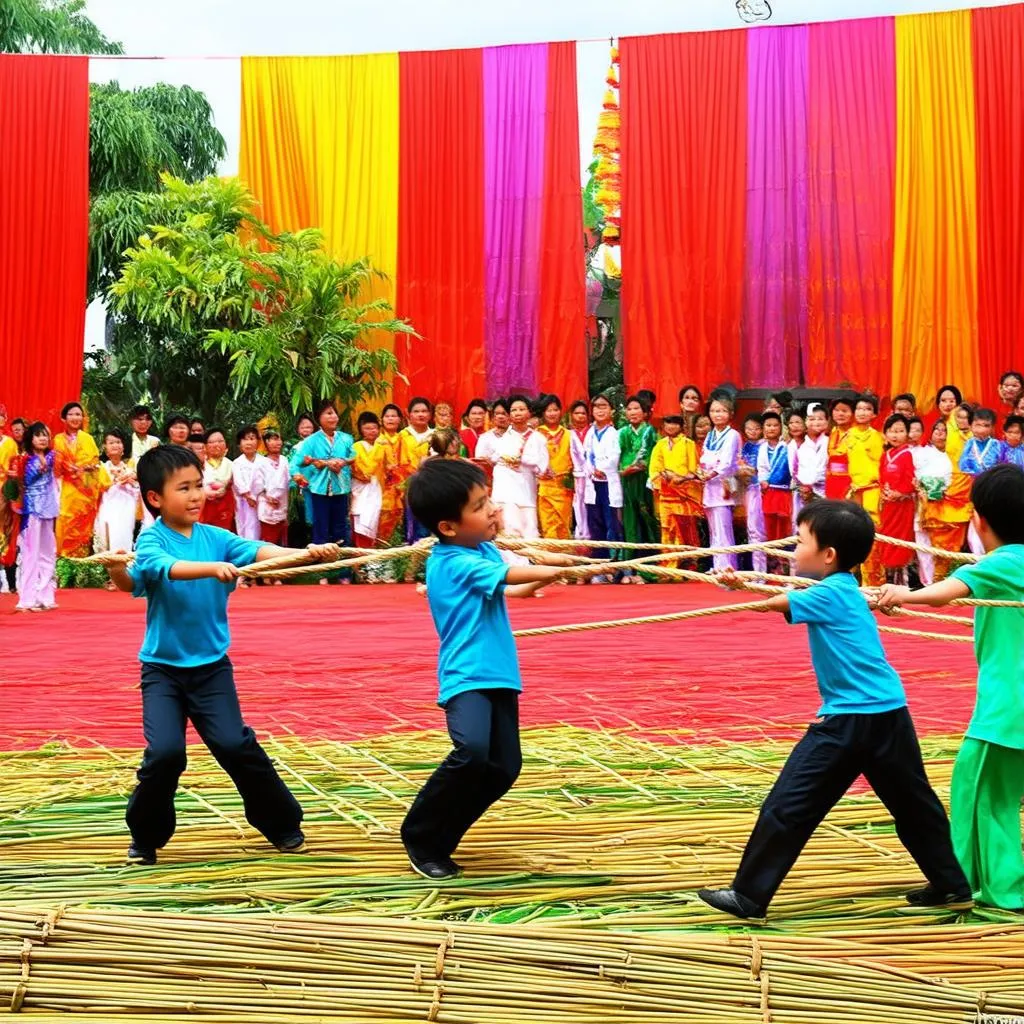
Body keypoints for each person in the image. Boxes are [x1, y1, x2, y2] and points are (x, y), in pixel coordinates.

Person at [698, 501, 972, 920]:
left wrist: (736, 587)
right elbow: (783, 594)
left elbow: (773, 603)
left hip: (849, 719)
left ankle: (748, 895)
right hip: (889, 712)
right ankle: (952, 885)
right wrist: (742, 583)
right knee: (915, 805)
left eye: (801, 540)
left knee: (789, 803)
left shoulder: (827, 593)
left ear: (828, 555)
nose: (794, 549)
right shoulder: (843, 589)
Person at [105, 444, 341, 865]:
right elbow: (157, 570)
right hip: (163, 672)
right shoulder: (152, 539)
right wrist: (208, 568)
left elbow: (257, 553)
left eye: (199, 486)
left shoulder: (216, 538)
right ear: (156, 498)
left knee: (236, 744)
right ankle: (145, 836)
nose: (196, 495)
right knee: (165, 754)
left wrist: (306, 553)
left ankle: (283, 825)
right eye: (184, 488)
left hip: (212, 669)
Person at [399, 458, 565, 879]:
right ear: (448, 527)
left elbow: (521, 589)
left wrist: (553, 571)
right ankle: (419, 835)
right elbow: (510, 575)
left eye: (488, 498)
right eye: (478, 505)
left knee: (504, 767)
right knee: (472, 752)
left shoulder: (482, 549)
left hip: (500, 673)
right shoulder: (451, 562)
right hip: (467, 675)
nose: (492, 509)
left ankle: (441, 840)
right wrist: (571, 565)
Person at [874, 465, 1024, 910]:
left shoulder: (1005, 561)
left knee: (979, 789)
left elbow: (946, 591)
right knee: (993, 791)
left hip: (1008, 707)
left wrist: (901, 596)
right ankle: (973, 878)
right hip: (1010, 707)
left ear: (978, 520)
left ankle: (997, 887)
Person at [488, 395, 548, 539]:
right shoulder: (501, 437)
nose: (518, 413)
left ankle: (528, 561)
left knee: (529, 529)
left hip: (526, 490)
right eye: (514, 410)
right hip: (505, 491)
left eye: (521, 409)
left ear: (529, 413)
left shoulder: (538, 438)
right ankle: (509, 562)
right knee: (508, 529)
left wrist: (523, 461)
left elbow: (542, 467)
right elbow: (494, 458)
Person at [302, 400, 356, 563]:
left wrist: (342, 462)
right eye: (328, 413)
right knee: (321, 529)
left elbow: (353, 456)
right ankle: (321, 571)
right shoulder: (311, 441)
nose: (333, 417)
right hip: (319, 489)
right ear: (319, 418)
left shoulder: (346, 438)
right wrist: (324, 464)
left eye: (334, 413)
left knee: (341, 528)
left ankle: (342, 570)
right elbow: (302, 461)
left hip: (340, 488)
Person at [16, 422, 60, 612]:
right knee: (30, 555)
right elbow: (26, 478)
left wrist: (42, 462)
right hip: (31, 512)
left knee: (48, 553)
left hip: (48, 510)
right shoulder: (24, 461)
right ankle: (26, 599)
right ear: (30, 439)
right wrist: (35, 464)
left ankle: (46, 596)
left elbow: (53, 462)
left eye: (45, 435)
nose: (43, 438)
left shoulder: (51, 456)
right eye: (38, 435)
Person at [53, 401, 102, 559]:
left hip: (85, 492)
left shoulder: (88, 439)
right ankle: (64, 564)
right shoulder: (58, 440)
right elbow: (56, 467)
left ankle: (81, 567)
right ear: (64, 418)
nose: (75, 417)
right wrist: (67, 467)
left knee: (83, 529)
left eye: (78, 414)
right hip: (67, 490)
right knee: (64, 524)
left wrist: (84, 469)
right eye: (71, 414)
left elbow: (96, 464)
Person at [699, 396, 741, 571]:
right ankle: (717, 565)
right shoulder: (710, 435)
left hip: (724, 484)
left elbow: (727, 462)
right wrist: (701, 471)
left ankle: (728, 568)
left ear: (730, 414)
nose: (718, 415)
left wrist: (711, 473)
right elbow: (704, 457)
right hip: (709, 484)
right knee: (713, 529)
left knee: (724, 527)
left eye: (722, 411)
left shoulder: (732, 435)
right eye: (714, 411)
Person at [847, 395, 885, 587]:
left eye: (867, 409)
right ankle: (850, 582)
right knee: (850, 533)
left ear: (874, 413)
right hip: (853, 492)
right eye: (859, 408)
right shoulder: (848, 435)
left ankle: (873, 583)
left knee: (873, 536)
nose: (862, 412)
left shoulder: (878, 437)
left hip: (872, 491)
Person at [648, 415, 700, 554]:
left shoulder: (689, 444)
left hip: (683, 497)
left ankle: (688, 564)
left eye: (675, 423)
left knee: (685, 530)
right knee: (666, 529)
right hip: (666, 494)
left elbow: (693, 471)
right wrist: (665, 475)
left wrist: (680, 478)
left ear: (681, 426)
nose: (671, 426)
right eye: (668, 422)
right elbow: (654, 470)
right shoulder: (660, 445)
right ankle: (668, 565)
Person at [583, 394, 624, 570]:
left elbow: (614, 457)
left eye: (604, 406)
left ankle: (616, 567)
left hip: (608, 482)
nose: (599, 410)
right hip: (593, 482)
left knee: (612, 523)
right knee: (595, 523)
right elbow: (584, 455)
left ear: (612, 410)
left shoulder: (614, 433)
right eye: (596, 407)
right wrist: (592, 470)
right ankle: (598, 566)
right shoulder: (590, 433)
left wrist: (601, 468)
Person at [959, 408, 1005, 556]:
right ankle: (977, 556)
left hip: (992, 489)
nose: (982, 429)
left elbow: (1001, 464)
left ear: (992, 427)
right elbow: (963, 465)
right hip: (973, 489)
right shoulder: (968, 444)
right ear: (971, 426)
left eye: (986, 425)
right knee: (975, 525)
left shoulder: (997, 445)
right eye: (978, 425)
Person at [877, 414, 916, 581]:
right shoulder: (885, 455)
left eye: (900, 431)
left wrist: (900, 493)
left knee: (901, 537)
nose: (895, 435)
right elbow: (881, 477)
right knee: (886, 535)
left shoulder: (908, 454)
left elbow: (912, 480)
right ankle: (889, 575)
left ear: (907, 434)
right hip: (888, 505)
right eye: (892, 431)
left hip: (903, 505)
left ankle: (902, 577)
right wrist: (884, 492)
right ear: (885, 434)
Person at [619, 395, 659, 552]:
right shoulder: (622, 432)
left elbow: (649, 458)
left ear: (644, 412)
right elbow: (617, 454)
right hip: (626, 480)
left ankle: (649, 567)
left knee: (646, 517)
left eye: (637, 409)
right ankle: (631, 566)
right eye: (629, 409)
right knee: (630, 519)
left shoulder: (650, 432)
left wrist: (628, 469)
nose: (633, 412)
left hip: (643, 480)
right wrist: (621, 471)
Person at [757, 412, 794, 574]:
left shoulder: (787, 447)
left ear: (781, 428)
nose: (771, 428)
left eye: (775, 425)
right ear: (763, 428)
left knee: (784, 530)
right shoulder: (762, 447)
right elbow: (762, 468)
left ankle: (787, 567)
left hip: (785, 493)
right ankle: (774, 570)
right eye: (768, 425)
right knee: (770, 530)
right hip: (769, 493)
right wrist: (763, 480)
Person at [94, 429, 140, 557]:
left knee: (123, 543)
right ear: (105, 447)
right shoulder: (100, 468)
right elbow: (95, 489)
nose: (115, 445)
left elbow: (137, 493)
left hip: (125, 513)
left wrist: (131, 481)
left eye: (118, 442)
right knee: (105, 542)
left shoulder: (130, 469)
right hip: (107, 510)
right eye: (111, 442)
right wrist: (115, 480)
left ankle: (123, 572)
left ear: (123, 446)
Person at [536, 395, 574, 540]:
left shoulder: (569, 434)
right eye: (548, 410)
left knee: (564, 523)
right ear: (543, 413)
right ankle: (550, 557)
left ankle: (565, 557)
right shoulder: (536, 433)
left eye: (555, 410)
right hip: (544, 485)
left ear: (560, 411)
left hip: (563, 487)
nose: (552, 413)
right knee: (547, 523)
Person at [399, 398, 435, 543]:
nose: (421, 414)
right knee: (410, 527)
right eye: (416, 411)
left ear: (430, 414)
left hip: (432, 488)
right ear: (409, 415)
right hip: (407, 488)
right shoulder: (401, 436)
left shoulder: (436, 435)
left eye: (424, 411)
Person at [351, 412, 385, 549]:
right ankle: (358, 561)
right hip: (361, 487)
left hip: (376, 487)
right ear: (361, 429)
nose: (371, 431)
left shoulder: (382, 447)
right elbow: (358, 467)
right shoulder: (356, 446)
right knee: (360, 521)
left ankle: (371, 557)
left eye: (374, 428)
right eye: (367, 428)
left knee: (373, 520)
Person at [252, 429, 291, 548]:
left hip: (283, 504)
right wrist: (268, 497)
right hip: (267, 505)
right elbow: (256, 485)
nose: (277, 442)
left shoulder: (284, 460)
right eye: (273, 439)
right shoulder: (260, 462)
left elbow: (289, 480)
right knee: (269, 541)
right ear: (266, 442)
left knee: (283, 540)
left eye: (278, 439)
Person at [738, 414, 766, 574]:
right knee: (751, 529)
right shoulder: (745, 447)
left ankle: (761, 572)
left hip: (760, 490)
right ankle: (756, 570)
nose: (753, 431)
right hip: (747, 490)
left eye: (756, 428)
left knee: (759, 530)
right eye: (749, 428)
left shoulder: (764, 446)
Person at [375, 404, 405, 546]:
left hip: (401, 488)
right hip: (381, 488)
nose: (390, 419)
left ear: (400, 419)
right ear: (381, 420)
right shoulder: (377, 440)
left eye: (394, 416)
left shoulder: (404, 438)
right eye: (387, 416)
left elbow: (408, 464)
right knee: (380, 521)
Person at [232, 425, 266, 543]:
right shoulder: (237, 463)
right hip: (244, 502)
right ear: (239, 444)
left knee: (261, 528)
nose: (248, 442)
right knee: (245, 527)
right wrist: (248, 496)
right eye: (245, 439)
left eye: (252, 438)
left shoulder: (264, 461)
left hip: (261, 500)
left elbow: (268, 480)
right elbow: (238, 482)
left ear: (257, 442)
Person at [796, 402, 828, 512]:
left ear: (827, 422)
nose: (816, 422)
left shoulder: (831, 443)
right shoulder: (802, 446)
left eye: (820, 419)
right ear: (805, 422)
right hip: (806, 494)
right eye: (811, 419)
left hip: (827, 494)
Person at [200, 429, 234, 532]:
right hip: (204, 508)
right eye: (211, 442)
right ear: (205, 446)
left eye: (220, 441)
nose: (216, 445)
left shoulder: (232, 465)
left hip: (225, 509)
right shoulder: (199, 464)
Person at [568, 400, 591, 540]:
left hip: (593, 475)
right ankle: (581, 535)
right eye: (577, 413)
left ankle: (592, 535)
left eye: (583, 413)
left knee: (591, 505)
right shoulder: (568, 434)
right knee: (578, 505)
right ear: (571, 415)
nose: (580, 416)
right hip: (576, 475)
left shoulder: (593, 431)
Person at [825, 397, 855, 501]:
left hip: (849, 481)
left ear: (853, 413)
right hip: (831, 481)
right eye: (836, 410)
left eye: (844, 411)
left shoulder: (856, 434)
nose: (840, 414)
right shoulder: (832, 431)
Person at [935, 385, 965, 468]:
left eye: (952, 401)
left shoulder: (963, 423)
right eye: (943, 401)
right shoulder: (936, 424)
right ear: (938, 404)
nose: (947, 404)